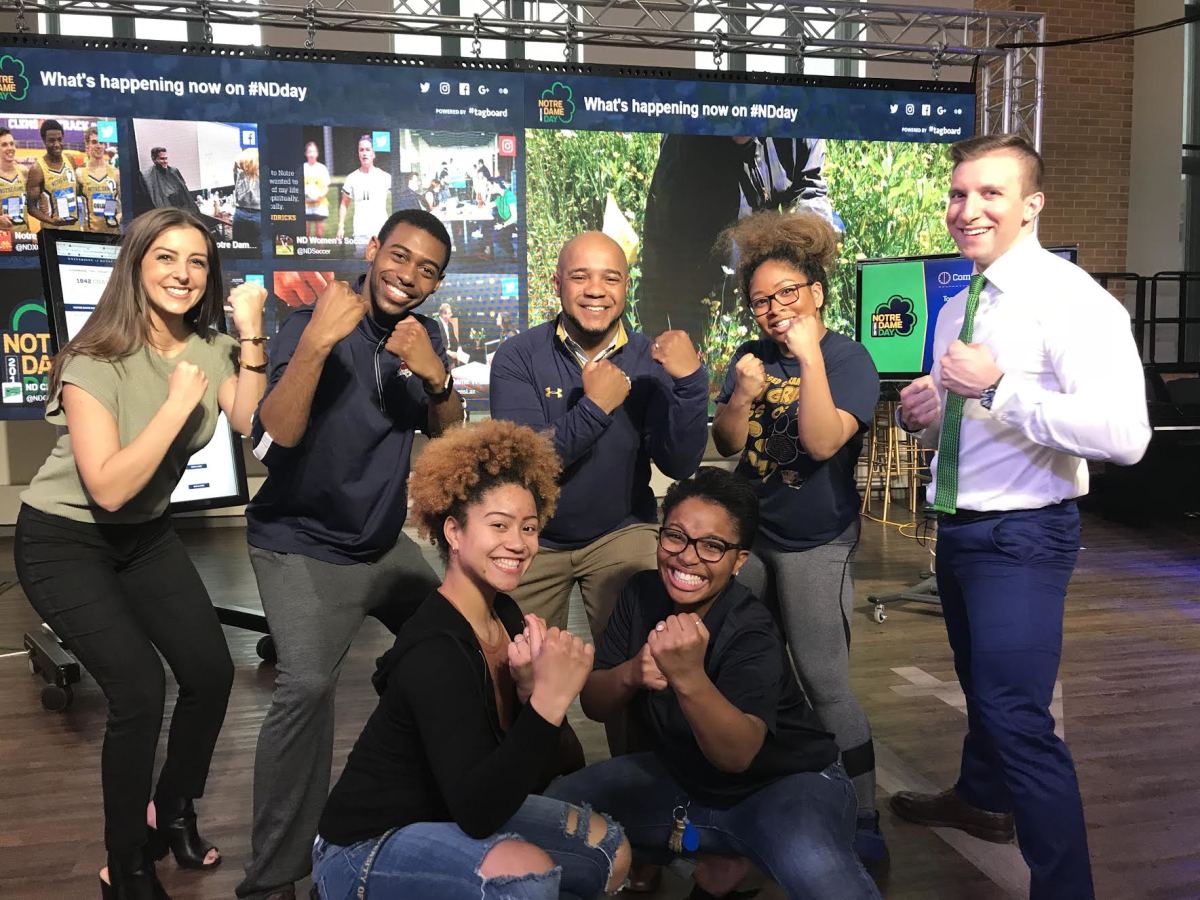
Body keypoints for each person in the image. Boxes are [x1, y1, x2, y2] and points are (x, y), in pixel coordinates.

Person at [890, 134, 1150, 900]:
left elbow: (1126, 436)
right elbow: (961, 418)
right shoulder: (955, 304)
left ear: (1032, 205)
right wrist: (925, 417)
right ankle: (983, 800)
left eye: (990, 194)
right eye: (959, 194)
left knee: (1018, 719)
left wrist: (1000, 387)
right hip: (961, 527)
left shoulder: (1075, 302)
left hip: (1024, 537)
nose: (968, 210)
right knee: (986, 692)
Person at [12, 207, 268, 899]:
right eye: (166, 257)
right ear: (136, 264)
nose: (183, 274)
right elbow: (112, 487)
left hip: (145, 539)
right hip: (65, 540)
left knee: (211, 674)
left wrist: (250, 336)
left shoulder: (210, 347)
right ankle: (125, 866)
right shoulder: (91, 361)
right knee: (138, 690)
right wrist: (177, 402)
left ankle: (172, 812)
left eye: (197, 261)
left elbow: (250, 424)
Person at [237, 208, 465, 900]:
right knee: (305, 685)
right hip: (298, 545)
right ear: (372, 251)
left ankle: (446, 805)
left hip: (378, 546)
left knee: (462, 640)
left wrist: (439, 381)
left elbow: (446, 437)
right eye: (400, 257)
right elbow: (268, 445)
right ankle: (273, 878)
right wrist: (313, 346)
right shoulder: (309, 322)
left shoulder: (418, 336)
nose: (409, 276)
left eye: (428, 269)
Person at [314, 419, 631, 899]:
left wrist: (530, 696)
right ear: (454, 532)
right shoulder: (435, 650)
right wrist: (548, 699)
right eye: (499, 525)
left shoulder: (504, 614)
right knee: (526, 878)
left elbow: (543, 772)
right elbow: (480, 813)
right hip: (365, 846)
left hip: (454, 804)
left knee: (608, 849)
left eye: (529, 527)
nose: (519, 544)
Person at [544, 467, 881, 900]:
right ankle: (725, 857)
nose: (687, 556)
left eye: (713, 546)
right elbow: (595, 703)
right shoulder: (640, 593)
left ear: (740, 560)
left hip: (786, 784)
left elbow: (738, 755)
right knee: (555, 808)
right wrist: (631, 673)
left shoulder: (751, 628)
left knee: (827, 883)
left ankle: (740, 853)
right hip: (687, 780)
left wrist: (688, 677)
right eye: (675, 537)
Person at [710, 210, 884, 858]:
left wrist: (809, 357)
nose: (774, 308)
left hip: (817, 543)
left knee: (823, 681)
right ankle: (776, 797)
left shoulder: (847, 358)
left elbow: (818, 440)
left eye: (786, 292)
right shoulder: (749, 357)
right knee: (752, 672)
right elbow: (727, 443)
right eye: (760, 299)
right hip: (754, 539)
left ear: (815, 290)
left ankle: (864, 815)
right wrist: (740, 397)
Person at [489, 230, 709, 648]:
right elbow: (527, 466)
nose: (596, 291)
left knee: (640, 665)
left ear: (627, 286)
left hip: (620, 533)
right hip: (531, 536)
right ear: (557, 285)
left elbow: (679, 464)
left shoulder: (651, 357)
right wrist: (596, 408)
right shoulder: (518, 356)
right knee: (516, 668)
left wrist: (692, 384)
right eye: (580, 277)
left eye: (610, 278)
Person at [639, 135, 834, 338]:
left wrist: (804, 265)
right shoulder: (684, 146)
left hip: (764, 216)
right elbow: (664, 251)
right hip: (700, 226)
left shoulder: (799, 123)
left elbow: (812, 190)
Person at [336, 134, 392, 248]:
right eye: (361, 150)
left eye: (368, 149)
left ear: (373, 153)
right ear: (358, 153)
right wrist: (341, 226)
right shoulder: (352, 178)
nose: (364, 153)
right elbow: (344, 204)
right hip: (360, 234)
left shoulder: (385, 177)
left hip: (380, 232)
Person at [26, 118, 81, 230]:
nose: (56, 144)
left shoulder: (70, 160)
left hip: (75, 228)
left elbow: (77, 191)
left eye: (59, 139)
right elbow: (31, 208)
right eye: (51, 140)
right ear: (44, 141)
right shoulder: (37, 169)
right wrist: (52, 221)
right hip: (52, 231)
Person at [76, 125, 121, 233]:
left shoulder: (115, 173)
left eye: (101, 142)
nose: (98, 146)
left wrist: (119, 215)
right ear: (87, 145)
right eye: (94, 142)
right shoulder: (80, 173)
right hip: (90, 235)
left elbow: (125, 205)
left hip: (113, 235)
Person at [141, 147, 200, 216]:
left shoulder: (174, 172)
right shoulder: (147, 177)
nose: (165, 161)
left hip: (181, 210)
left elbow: (185, 194)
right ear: (154, 159)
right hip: (165, 214)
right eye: (162, 159)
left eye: (166, 158)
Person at [0, 127, 30, 232]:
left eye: (12, 144)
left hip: (25, 239)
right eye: (4, 145)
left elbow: (32, 203)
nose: (10, 148)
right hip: (3, 242)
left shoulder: (23, 171)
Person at [232, 148, 260, 246]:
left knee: (239, 248)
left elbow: (235, 182)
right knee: (260, 250)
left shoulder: (239, 163)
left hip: (241, 212)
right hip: (256, 213)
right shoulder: (263, 165)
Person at [302, 141, 331, 238]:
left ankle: (320, 253)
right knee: (305, 234)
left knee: (319, 235)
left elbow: (326, 187)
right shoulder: (302, 168)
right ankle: (304, 253)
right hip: (305, 207)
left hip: (320, 206)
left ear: (317, 153)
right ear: (306, 153)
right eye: (309, 152)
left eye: (313, 152)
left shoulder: (322, 168)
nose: (311, 154)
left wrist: (320, 196)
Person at [436, 301, 470, 366]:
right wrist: (449, 352)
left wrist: (459, 347)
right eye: (449, 313)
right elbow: (437, 343)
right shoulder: (436, 324)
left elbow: (454, 338)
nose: (451, 314)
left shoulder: (450, 324)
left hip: (449, 352)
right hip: (440, 354)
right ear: (443, 314)